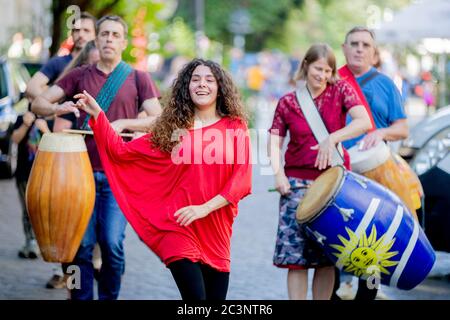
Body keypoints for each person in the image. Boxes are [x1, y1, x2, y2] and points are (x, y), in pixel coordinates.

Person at [73, 58, 252, 301]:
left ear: (220, 87)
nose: (202, 84)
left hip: (216, 228)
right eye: (195, 79)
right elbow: (121, 153)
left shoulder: (235, 127)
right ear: (186, 87)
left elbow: (241, 180)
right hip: (177, 226)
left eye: (209, 80)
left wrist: (203, 209)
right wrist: (98, 115)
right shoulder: (172, 129)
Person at [31, 15, 162, 300]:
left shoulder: (138, 77)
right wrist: (58, 109)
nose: (109, 39)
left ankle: (108, 298)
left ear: (124, 42)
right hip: (80, 176)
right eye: (104, 34)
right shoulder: (79, 75)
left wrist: (125, 124)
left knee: (112, 244)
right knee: (82, 246)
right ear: (97, 38)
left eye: (115, 35)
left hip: (119, 175)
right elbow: (38, 102)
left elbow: (159, 119)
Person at [268, 43, 371, 300]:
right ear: (305, 66)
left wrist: (333, 138)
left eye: (327, 70)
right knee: (296, 257)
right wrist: (278, 175)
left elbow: (363, 122)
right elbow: (273, 141)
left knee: (327, 257)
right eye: (317, 68)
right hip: (295, 185)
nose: (322, 75)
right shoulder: (288, 102)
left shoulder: (341, 91)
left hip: (333, 186)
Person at [24, 12, 97, 290]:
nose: (80, 35)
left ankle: (87, 267)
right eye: (76, 30)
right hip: (65, 142)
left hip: (94, 145)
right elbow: (33, 89)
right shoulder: (62, 64)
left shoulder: (102, 67)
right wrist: (52, 108)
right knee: (61, 208)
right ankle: (65, 270)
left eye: (86, 30)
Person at [336, 26, 409, 301]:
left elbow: (402, 128)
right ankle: (340, 285)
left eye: (365, 45)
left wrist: (381, 132)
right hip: (337, 172)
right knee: (337, 231)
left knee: (373, 235)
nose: (359, 49)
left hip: (374, 171)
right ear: (343, 48)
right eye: (353, 43)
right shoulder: (330, 79)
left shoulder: (385, 83)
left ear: (374, 52)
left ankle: (371, 289)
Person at [12, 111, 51, 259]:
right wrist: (25, 124)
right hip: (24, 173)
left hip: (44, 174)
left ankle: (43, 242)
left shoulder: (51, 117)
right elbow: (15, 139)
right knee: (27, 210)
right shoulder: (22, 118)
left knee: (43, 210)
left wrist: (45, 130)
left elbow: (57, 143)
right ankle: (30, 241)